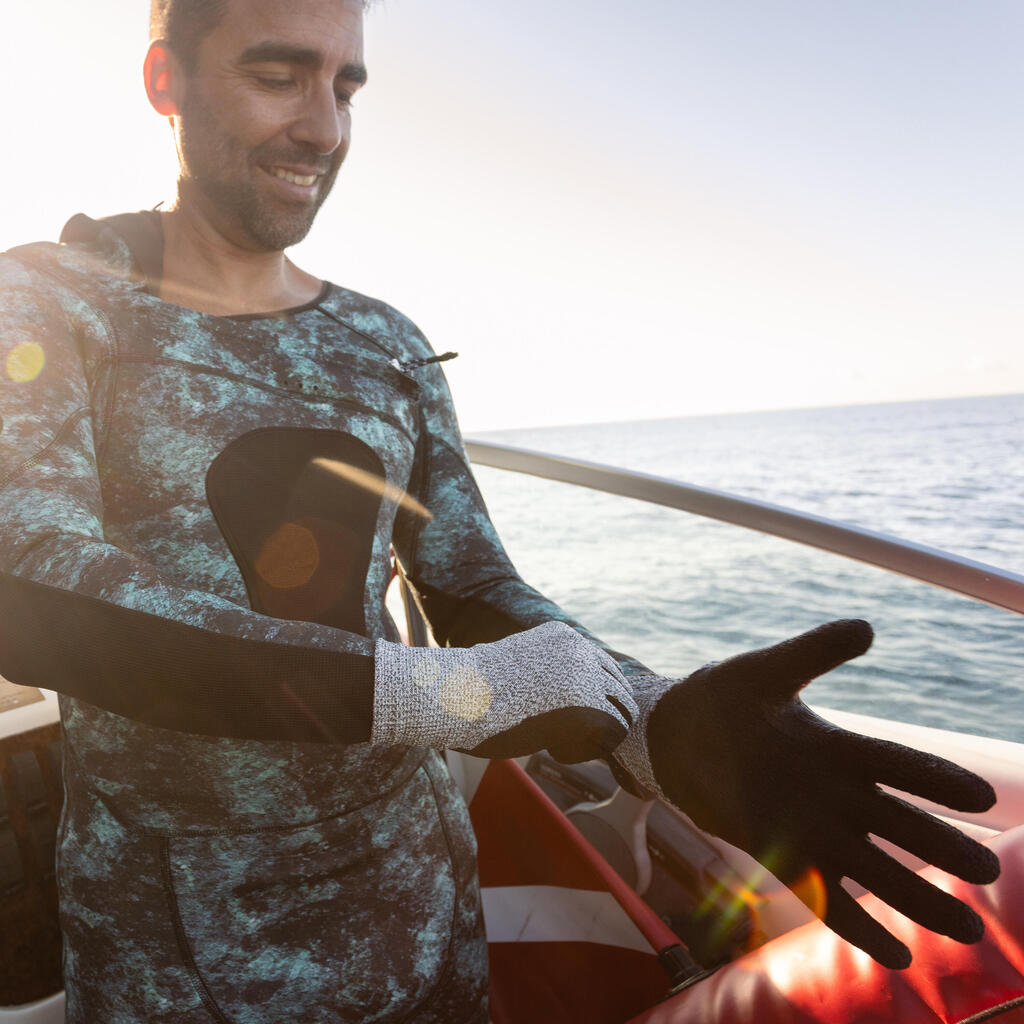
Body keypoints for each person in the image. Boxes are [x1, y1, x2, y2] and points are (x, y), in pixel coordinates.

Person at [0, 0, 1000, 1020]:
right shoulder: (50, 303)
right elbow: (29, 580)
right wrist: (449, 696)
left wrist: (649, 719)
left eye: (345, 87)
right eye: (277, 76)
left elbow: (471, 582)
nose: (324, 127)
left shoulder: (384, 343)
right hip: (175, 942)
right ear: (165, 80)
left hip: (417, 897)